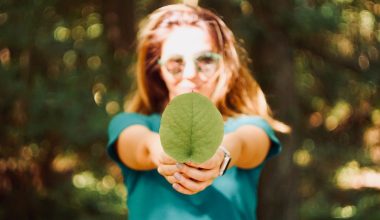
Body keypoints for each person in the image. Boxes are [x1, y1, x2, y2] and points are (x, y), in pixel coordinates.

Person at [106, 3, 289, 220]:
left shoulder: (250, 126)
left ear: (224, 64)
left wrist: (220, 155)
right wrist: (162, 152)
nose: (191, 73)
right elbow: (141, 147)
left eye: (205, 60)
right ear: (158, 69)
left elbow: (244, 145)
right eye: (176, 62)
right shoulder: (129, 124)